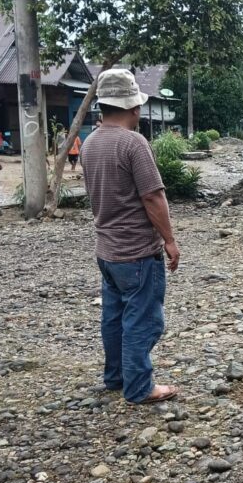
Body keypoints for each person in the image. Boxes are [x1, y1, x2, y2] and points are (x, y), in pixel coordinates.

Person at [81, 68, 180, 404]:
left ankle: (116, 377)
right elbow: (152, 197)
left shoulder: (91, 143)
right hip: (137, 252)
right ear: (134, 107)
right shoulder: (133, 143)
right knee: (142, 319)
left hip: (107, 251)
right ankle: (139, 387)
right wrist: (169, 240)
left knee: (114, 317)